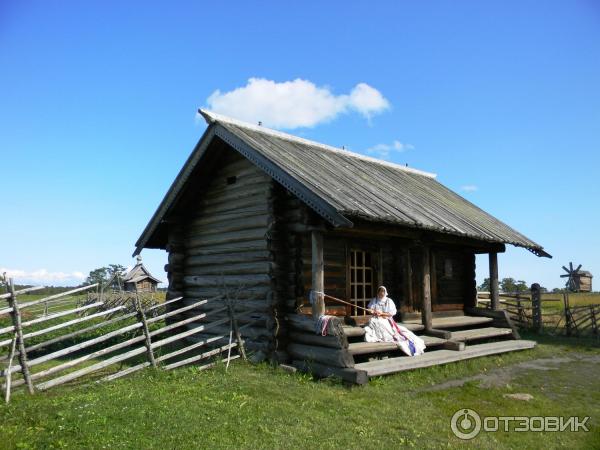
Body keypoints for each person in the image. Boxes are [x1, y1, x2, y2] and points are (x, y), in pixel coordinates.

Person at [364, 286, 426, 357]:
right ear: (378, 292)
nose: (381, 293)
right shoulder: (374, 300)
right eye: (380, 291)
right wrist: (372, 312)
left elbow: (391, 313)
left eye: (383, 291)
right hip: (376, 319)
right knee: (373, 322)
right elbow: (370, 310)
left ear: (385, 292)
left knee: (383, 324)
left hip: (386, 319)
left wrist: (382, 313)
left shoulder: (389, 301)